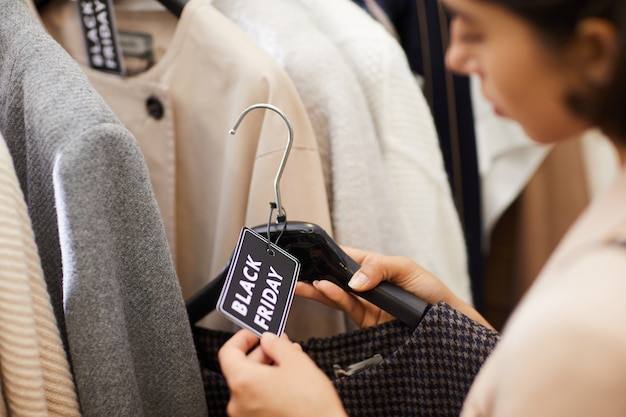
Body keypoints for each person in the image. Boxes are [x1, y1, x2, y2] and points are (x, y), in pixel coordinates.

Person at [217, 0, 626, 415]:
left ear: (593, 51)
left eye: (476, 29)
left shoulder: (592, 332)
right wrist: (460, 331)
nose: (455, 56)